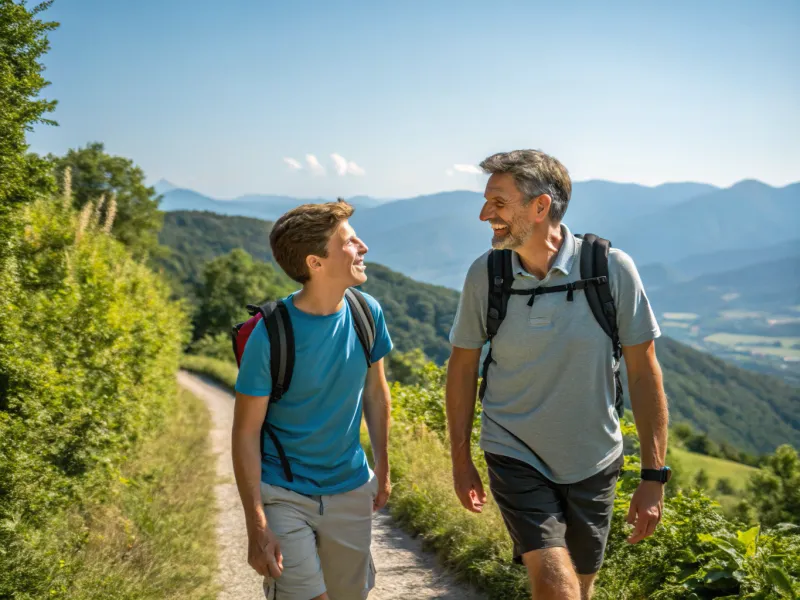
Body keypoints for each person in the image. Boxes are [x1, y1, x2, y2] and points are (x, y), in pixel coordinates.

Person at [445, 149, 670, 600]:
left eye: (498, 202)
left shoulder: (610, 270)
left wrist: (653, 476)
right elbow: (463, 367)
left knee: (580, 586)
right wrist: (461, 458)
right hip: (514, 451)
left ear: (540, 206)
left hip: (594, 458)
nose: (485, 214)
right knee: (555, 585)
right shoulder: (485, 276)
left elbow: (644, 374)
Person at [231, 199, 393, 600]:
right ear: (315, 263)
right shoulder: (271, 335)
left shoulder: (367, 313)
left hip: (350, 487)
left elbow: (375, 392)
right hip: (284, 493)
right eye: (350, 241)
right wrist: (256, 526)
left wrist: (383, 467)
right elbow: (245, 433)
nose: (364, 247)